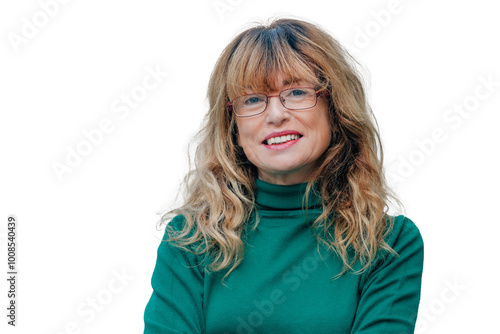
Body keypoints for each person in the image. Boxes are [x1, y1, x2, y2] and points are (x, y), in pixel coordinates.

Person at [143, 17, 424, 334]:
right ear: (233, 126)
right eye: (252, 99)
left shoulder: (388, 243)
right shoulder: (190, 240)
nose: (275, 114)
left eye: (297, 92)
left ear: (334, 108)